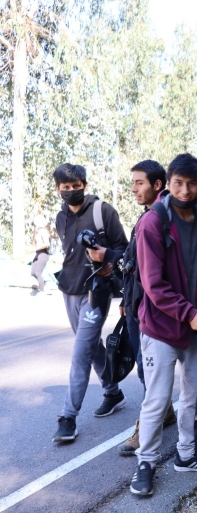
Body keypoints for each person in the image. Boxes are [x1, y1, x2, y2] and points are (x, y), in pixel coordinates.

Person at [130, 153, 197, 496]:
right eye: (178, 183)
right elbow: (153, 286)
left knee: (192, 395)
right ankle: (146, 462)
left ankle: (186, 455)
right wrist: (189, 313)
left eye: (192, 184)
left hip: (194, 327)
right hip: (160, 326)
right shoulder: (152, 222)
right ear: (167, 183)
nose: (185, 190)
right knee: (157, 398)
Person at [51, 164, 129, 443]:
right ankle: (113, 392)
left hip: (96, 292)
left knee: (80, 352)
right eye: (66, 187)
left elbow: (125, 248)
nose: (72, 191)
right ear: (58, 189)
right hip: (68, 291)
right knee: (91, 345)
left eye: (76, 186)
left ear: (84, 184)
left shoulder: (102, 211)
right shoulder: (60, 218)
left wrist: (107, 257)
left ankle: (68, 417)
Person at [117, 160, 177, 456]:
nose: (133, 188)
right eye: (133, 183)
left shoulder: (166, 216)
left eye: (139, 183)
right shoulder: (149, 215)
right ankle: (165, 413)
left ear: (157, 185)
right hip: (135, 302)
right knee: (145, 368)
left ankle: (148, 429)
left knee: (149, 370)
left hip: (151, 309)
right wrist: (125, 301)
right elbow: (134, 265)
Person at [30, 215, 50, 294]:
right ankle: (44, 283)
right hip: (37, 254)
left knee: (38, 272)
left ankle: (42, 291)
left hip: (43, 254)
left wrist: (35, 248)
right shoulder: (37, 231)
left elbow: (46, 244)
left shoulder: (43, 231)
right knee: (33, 272)